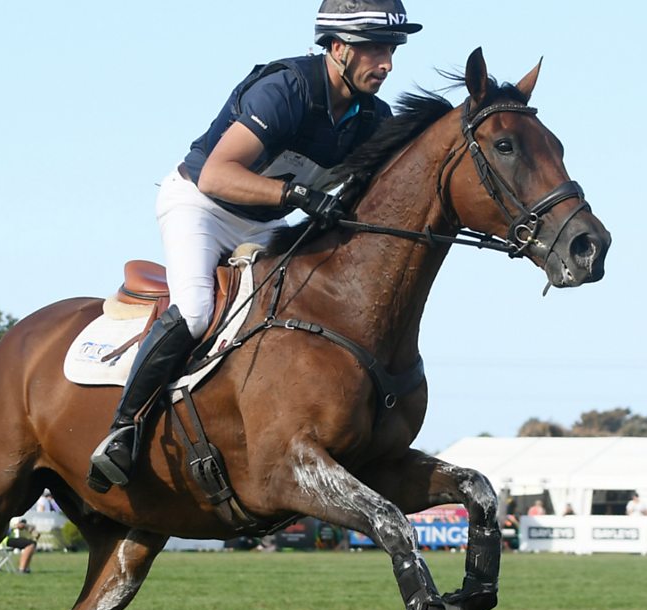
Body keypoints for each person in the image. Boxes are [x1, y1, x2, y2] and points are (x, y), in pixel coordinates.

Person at [88, 0, 422, 493]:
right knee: (198, 311)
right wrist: (295, 195)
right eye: (375, 48)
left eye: (391, 49)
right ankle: (122, 429)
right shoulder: (286, 90)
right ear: (336, 48)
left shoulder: (372, 116)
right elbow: (218, 173)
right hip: (201, 206)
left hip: (263, 224)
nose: (387, 63)